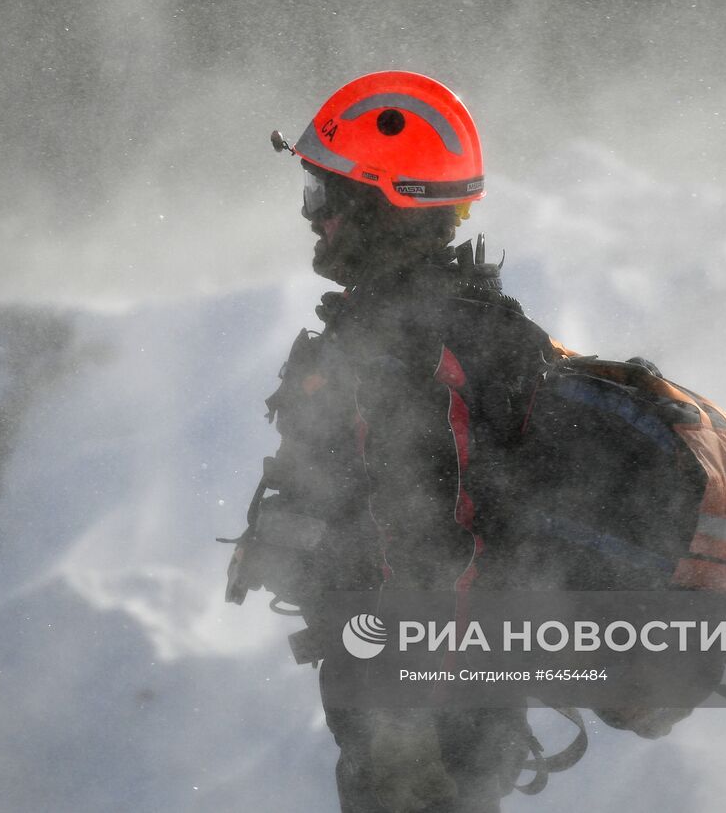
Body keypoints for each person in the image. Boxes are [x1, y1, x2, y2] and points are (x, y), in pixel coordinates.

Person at [225, 71, 553, 812]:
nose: (314, 220)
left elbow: (435, 546)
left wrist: (408, 732)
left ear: (382, 206)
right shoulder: (419, 327)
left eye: (326, 198)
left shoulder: (409, 348)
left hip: (428, 734)